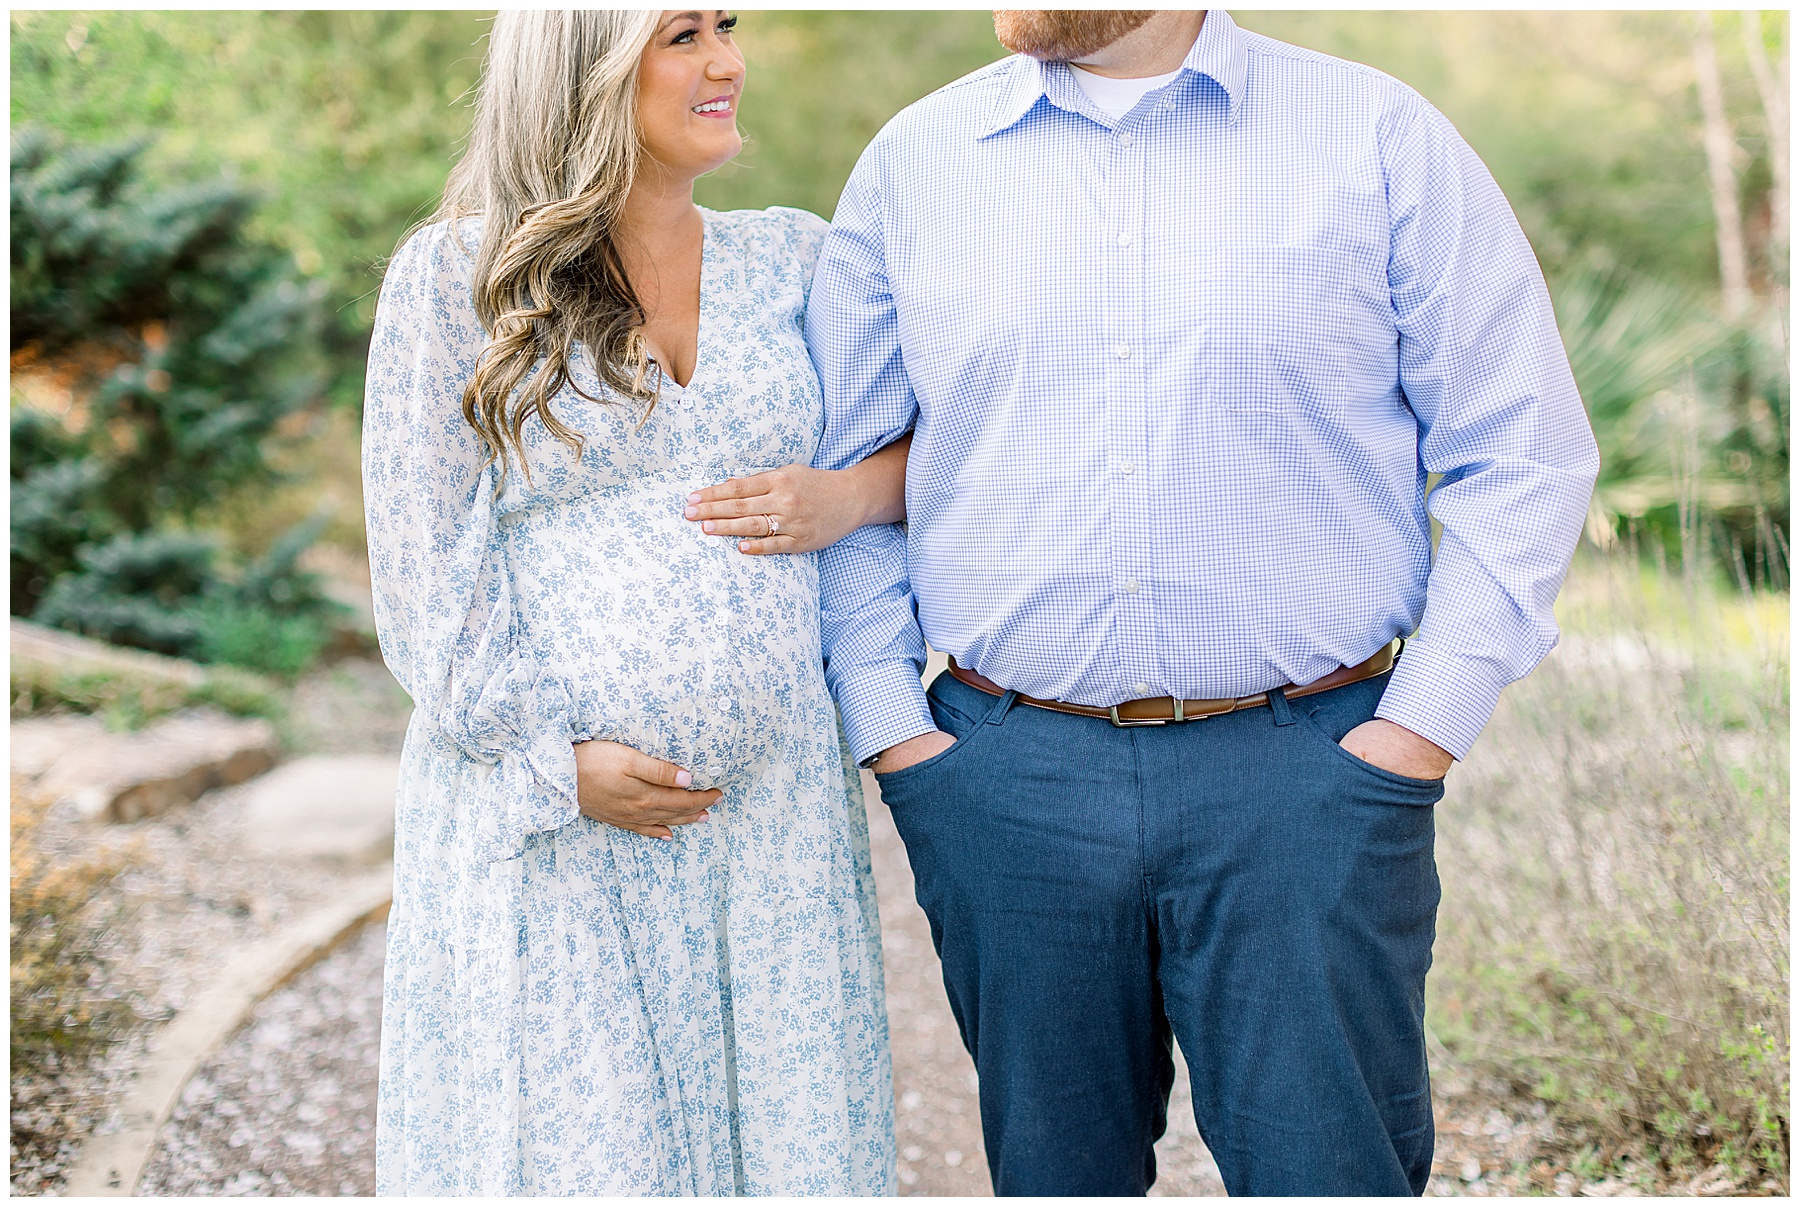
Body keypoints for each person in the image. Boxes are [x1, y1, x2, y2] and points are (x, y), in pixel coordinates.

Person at [806, 8, 1600, 1197]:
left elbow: (1522, 449)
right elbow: (852, 464)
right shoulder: (913, 164)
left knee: (1330, 1175)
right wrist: (898, 736)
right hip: (1003, 781)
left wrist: (1413, 733)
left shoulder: (1375, 137)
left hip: (1311, 774)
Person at [362, 10, 903, 1194]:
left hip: (772, 819)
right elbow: (420, 563)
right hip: (554, 816)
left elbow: (944, 445)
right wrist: (555, 762)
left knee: (787, 1142)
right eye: (681, 35)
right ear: (585, 70)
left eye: (727, 26)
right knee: (582, 1154)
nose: (725, 62)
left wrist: (852, 495)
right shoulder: (460, 275)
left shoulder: (797, 258)